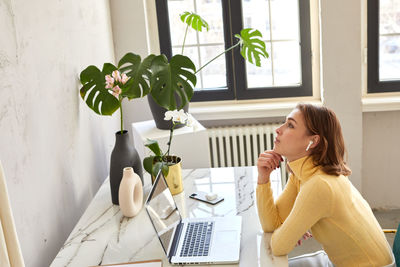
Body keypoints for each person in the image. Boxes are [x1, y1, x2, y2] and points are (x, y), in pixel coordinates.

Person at [256, 103, 395, 267]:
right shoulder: (303, 175)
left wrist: (289, 231)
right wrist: (263, 178)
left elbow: (278, 247)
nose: (278, 129)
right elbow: (271, 226)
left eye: (290, 125)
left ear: (313, 141)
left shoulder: (319, 184)